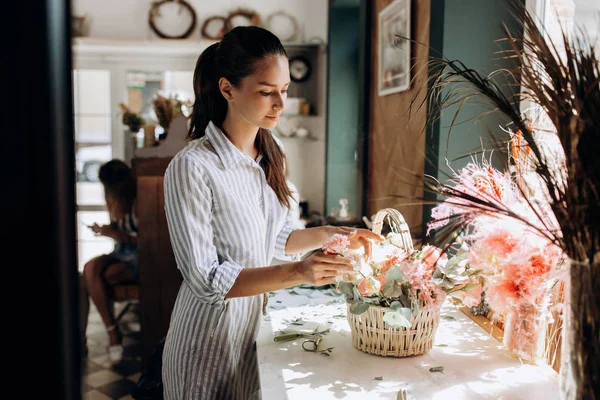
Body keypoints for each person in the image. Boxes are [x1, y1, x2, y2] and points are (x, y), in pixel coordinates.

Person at [161, 26, 382, 400]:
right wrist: (299, 272)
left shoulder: (272, 152)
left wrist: (335, 233)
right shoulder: (193, 167)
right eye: (266, 92)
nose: (280, 104)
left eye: (283, 91)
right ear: (227, 88)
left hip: (256, 335)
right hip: (207, 344)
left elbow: (277, 237)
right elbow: (205, 280)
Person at [80, 159, 139, 363]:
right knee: (88, 270)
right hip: (120, 252)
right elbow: (119, 235)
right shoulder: (115, 202)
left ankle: (114, 334)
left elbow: (145, 241)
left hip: (138, 257)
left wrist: (112, 232)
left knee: (94, 278)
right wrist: (106, 230)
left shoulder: (137, 203)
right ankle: (109, 330)